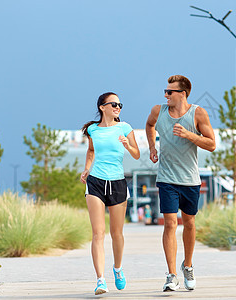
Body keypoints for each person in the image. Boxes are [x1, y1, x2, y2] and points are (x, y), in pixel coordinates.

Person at [145, 75, 216, 292]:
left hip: (190, 180)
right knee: (169, 223)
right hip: (166, 178)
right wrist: (152, 147)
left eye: (170, 92)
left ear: (182, 94)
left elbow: (212, 143)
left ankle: (188, 266)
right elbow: (149, 125)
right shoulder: (159, 111)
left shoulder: (198, 113)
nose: (165, 95)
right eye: (165, 91)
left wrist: (189, 135)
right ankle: (171, 274)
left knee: (190, 223)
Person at [80, 92, 140, 295]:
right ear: (102, 107)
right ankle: (100, 280)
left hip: (118, 183)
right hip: (96, 182)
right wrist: (87, 168)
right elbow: (91, 151)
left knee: (117, 234)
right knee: (98, 233)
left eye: (120, 104)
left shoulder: (125, 128)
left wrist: (127, 144)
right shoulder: (92, 129)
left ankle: (117, 268)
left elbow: (136, 154)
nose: (118, 107)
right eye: (114, 104)